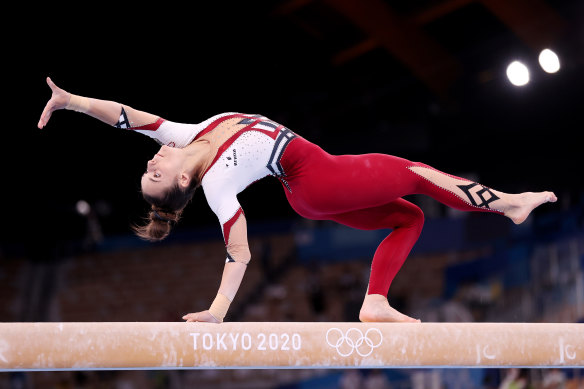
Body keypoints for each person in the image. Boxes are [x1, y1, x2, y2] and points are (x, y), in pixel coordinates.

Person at [38, 77, 557, 324]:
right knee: (414, 173)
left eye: (148, 166)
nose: (150, 164)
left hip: (308, 189)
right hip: (316, 178)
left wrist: (72, 102)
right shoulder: (216, 183)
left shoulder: (187, 131)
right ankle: (507, 204)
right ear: (179, 184)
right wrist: (218, 311)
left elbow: (123, 115)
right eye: (155, 177)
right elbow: (238, 251)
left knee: (409, 217)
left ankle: (375, 301)